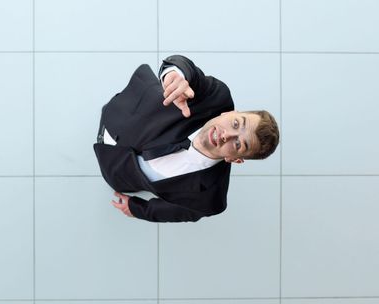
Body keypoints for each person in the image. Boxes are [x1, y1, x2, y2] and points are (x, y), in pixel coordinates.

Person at [93, 55, 279, 222]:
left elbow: (175, 211)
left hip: (117, 173)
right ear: (230, 113)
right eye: (237, 124)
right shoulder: (216, 98)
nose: (226, 135)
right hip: (121, 111)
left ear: (235, 159)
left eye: (238, 143)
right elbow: (188, 70)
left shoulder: (211, 198)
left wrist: (137, 209)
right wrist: (176, 75)